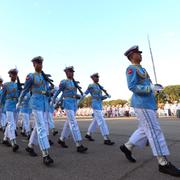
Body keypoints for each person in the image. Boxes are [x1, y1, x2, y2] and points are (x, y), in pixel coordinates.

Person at [120, 45, 180, 177]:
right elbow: (132, 86)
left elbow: (148, 84)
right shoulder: (131, 69)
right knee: (154, 130)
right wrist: (150, 88)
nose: (140, 55)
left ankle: (127, 146)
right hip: (142, 104)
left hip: (148, 103)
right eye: (137, 53)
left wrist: (155, 88)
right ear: (131, 56)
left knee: (144, 129)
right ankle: (163, 163)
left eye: (140, 53)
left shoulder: (143, 69)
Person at [17, 56, 54, 166]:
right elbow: (25, 90)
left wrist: (48, 93)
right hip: (35, 103)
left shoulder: (43, 78)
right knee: (42, 127)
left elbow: (44, 91)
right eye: (38, 63)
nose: (40, 65)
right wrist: (19, 101)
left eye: (41, 63)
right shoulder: (31, 76)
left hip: (43, 104)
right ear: (34, 65)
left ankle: (30, 146)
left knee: (38, 126)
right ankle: (45, 154)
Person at [52, 66, 88, 153]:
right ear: (66, 73)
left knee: (69, 123)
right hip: (67, 103)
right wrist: (53, 100)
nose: (72, 73)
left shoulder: (74, 82)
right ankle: (78, 144)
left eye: (72, 72)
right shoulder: (64, 82)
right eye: (70, 72)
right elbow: (58, 92)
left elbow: (75, 94)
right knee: (73, 123)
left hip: (74, 103)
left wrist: (79, 96)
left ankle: (61, 139)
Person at [84, 73, 114, 145]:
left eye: (98, 77)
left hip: (99, 104)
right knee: (101, 121)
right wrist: (78, 101)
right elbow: (85, 93)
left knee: (96, 121)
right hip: (95, 104)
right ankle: (106, 138)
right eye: (96, 77)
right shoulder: (91, 86)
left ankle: (88, 134)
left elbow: (100, 97)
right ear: (92, 78)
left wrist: (104, 97)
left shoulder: (99, 86)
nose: (97, 78)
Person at [0, 69, 19, 151]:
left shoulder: (16, 85)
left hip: (14, 106)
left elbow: (17, 95)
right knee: (11, 124)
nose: (15, 76)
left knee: (10, 123)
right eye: (13, 74)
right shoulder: (6, 85)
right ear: (10, 75)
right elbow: (2, 97)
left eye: (15, 74)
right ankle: (13, 142)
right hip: (7, 106)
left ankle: (5, 139)